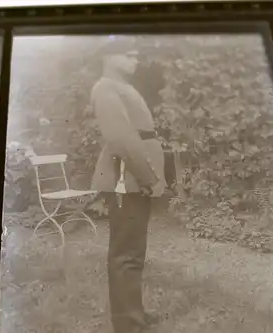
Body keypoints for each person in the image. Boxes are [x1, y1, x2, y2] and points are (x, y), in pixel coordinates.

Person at [90, 37, 166, 333]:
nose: (136, 61)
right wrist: (147, 177)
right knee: (125, 253)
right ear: (110, 57)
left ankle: (134, 314)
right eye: (129, 56)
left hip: (135, 177)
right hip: (127, 178)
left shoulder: (123, 87)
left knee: (134, 251)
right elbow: (121, 138)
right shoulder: (105, 88)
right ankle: (127, 325)